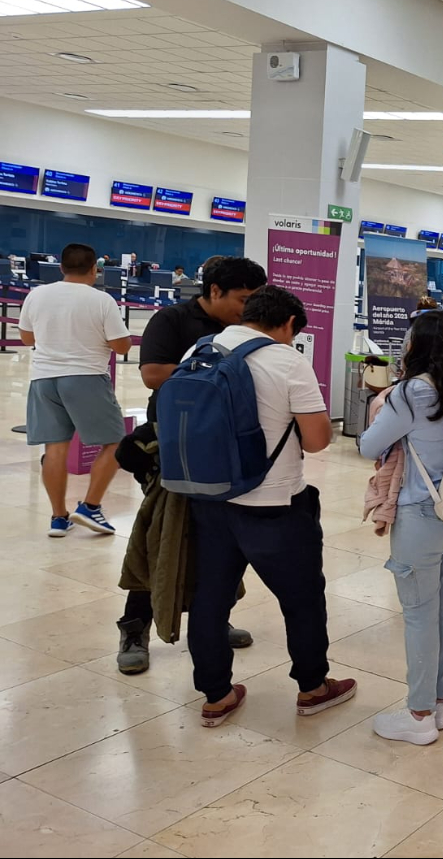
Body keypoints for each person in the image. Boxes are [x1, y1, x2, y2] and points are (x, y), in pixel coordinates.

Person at [185, 286, 351, 728]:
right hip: (274, 504)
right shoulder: (287, 360)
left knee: (210, 600)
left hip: (210, 499)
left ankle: (216, 695)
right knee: (301, 600)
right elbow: (316, 442)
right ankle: (313, 688)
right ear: (290, 324)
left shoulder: (202, 349)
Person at [116, 255, 267, 674]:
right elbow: (152, 374)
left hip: (224, 448)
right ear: (214, 291)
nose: (248, 307)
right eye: (242, 298)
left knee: (217, 541)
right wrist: (221, 374)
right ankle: (135, 628)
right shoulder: (173, 321)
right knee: (159, 536)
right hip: (174, 445)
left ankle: (214, 618)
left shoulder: (246, 329)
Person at [359, 310, 443, 743]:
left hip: (422, 514)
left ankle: (418, 718)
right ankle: (440, 704)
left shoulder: (412, 392)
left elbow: (368, 446)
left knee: (418, 614)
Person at [19, 243, 132, 537]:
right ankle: (91, 507)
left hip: (43, 379)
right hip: (85, 377)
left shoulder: (37, 294)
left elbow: (26, 337)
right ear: (95, 269)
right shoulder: (101, 300)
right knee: (115, 443)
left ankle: (58, 518)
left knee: (54, 448)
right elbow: (121, 346)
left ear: (60, 267)